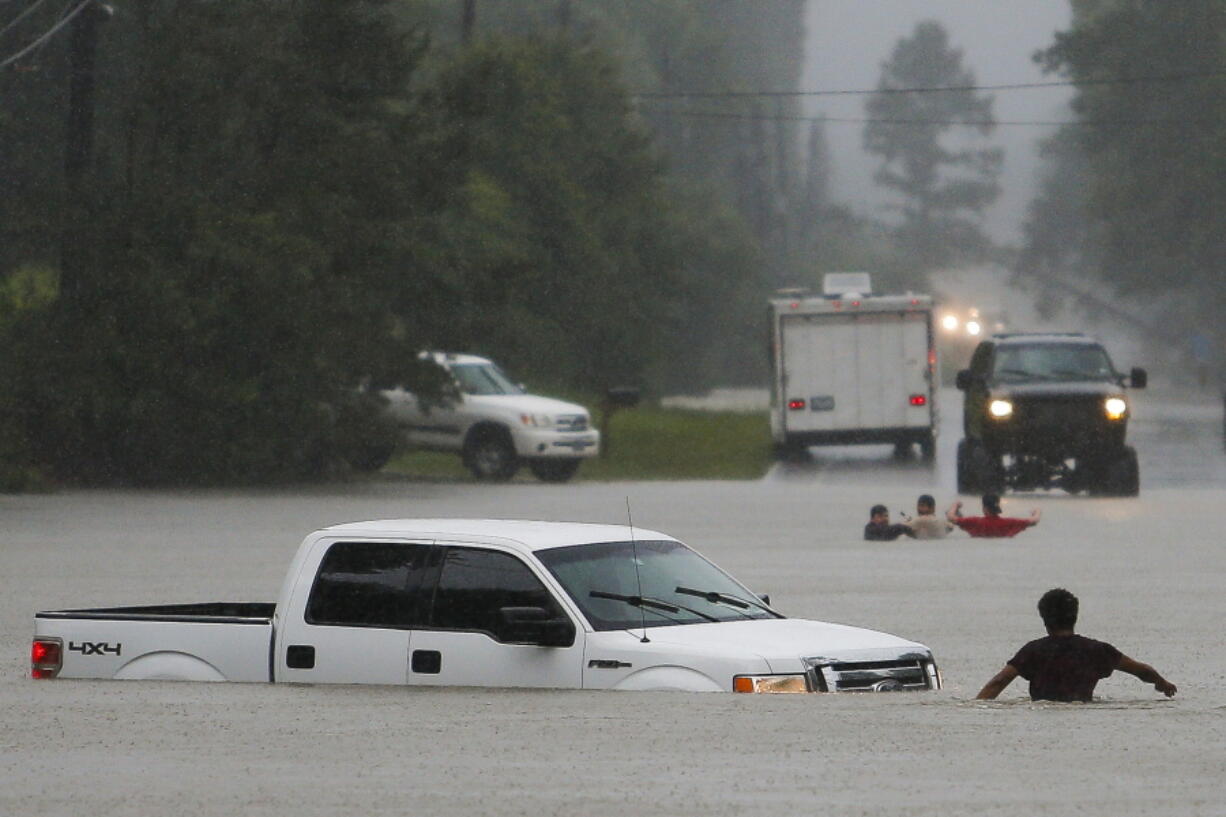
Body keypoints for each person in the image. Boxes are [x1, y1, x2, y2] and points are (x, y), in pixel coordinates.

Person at [977, 588, 1176, 702]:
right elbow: (1141, 671)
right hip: (1083, 710)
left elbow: (999, 682)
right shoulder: (1097, 650)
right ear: (1075, 617)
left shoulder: (1033, 651)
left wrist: (976, 707)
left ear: (1044, 620)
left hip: (1041, 714)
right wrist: (1162, 683)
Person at [946, 493, 1039, 538]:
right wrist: (1037, 512)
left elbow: (951, 517)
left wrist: (955, 505)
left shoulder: (975, 522)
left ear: (985, 508)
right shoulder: (1009, 523)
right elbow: (1034, 521)